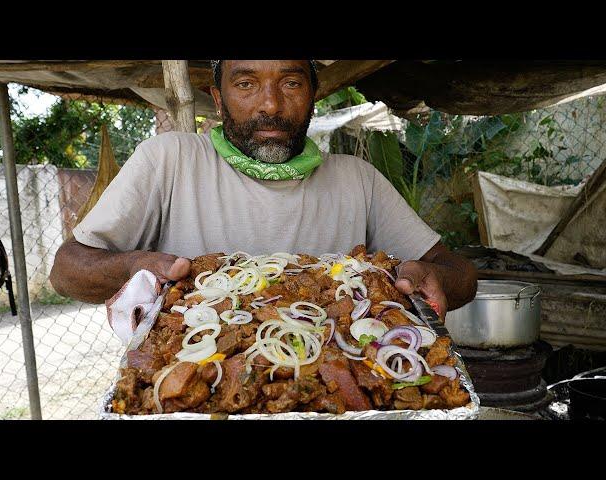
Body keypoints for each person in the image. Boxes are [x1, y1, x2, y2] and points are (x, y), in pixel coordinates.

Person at [50, 60, 477, 318]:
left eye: (290, 83)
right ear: (218, 100)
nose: (270, 104)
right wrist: (134, 267)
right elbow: (67, 270)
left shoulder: (357, 178)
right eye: (246, 84)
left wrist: (434, 277)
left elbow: (462, 274)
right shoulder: (170, 160)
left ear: (313, 96)